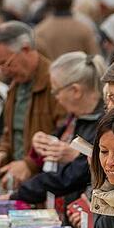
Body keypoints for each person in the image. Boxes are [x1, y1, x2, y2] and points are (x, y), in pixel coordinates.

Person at [11, 52, 106, 209]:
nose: (56, 98)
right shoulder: (75, 117)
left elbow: (72, 175)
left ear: (76, 91)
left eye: (56, 91)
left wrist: (19, 194)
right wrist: (41, 144)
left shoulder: (102, 125)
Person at [0, 21, 65, 187]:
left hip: (47, 183)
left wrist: (29, 164)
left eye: (6, 63)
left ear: (26, 49)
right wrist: (1, 154)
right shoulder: (15, 86)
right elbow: (10, 133)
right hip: (23, 184)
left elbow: (63, 135)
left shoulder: (55, 83)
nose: (4, 71)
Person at [34, 0, 99, 63]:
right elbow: (94, 58)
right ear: (72, 2)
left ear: (51, 3)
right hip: (79, 74)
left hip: (52, 73)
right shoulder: (84, 29)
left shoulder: (40, 30)